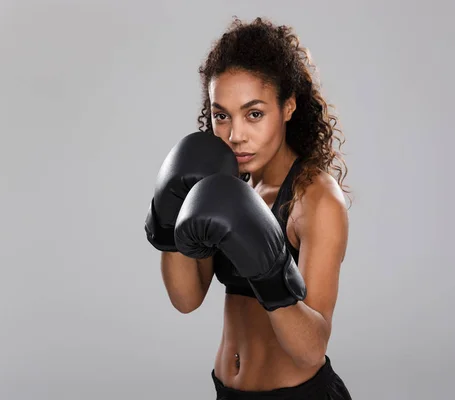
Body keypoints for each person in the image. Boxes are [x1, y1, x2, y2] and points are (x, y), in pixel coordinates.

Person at [145, 17, 352, 399]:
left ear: (288, 106)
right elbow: (187, 299)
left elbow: (311, 348)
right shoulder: (225, 183)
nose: (235, 135)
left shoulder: (316, 199)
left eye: (254, 114)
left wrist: (271, 271)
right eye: (221, 115)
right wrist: (166, 217)